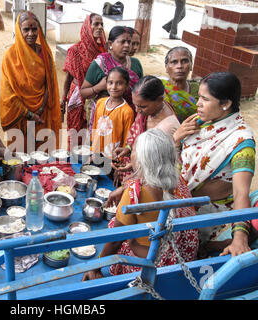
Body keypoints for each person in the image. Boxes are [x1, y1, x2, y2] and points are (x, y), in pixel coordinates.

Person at [82, 128, 198, 279]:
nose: (131, 154)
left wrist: (96, 267)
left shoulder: (135, 193)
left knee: (117, 230)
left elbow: (116, 241)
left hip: (149, 262)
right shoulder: (178, 180)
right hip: (176, 256)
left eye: (134, 150)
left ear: (143, 159)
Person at [173, 72, 256, 257]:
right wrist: (176, 139)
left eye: (205, 99)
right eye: (199, 97)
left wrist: (239, 239)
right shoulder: (199, 124)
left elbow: (241, 193)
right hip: (179, 203)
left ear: (225, 104)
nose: (198, 104)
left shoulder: (242, 142)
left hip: (208, 218)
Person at [0, 11, 62, 153]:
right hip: (21, 117)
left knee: (43, 157)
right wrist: (30, 114)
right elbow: (8, 94)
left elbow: (49, 85)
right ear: (19, 30)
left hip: (43, 114)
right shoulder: (10, 56)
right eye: (26, 29)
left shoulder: (45, 52)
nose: (31, 33)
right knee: (21, 158)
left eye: (34, 29)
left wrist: (40, 109)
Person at [111, 76, 180, 186]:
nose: (137, 110)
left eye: (142, 106)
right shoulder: (146, 111)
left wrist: (134, 169)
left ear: (159, 100)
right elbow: (135, 134)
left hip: (150, 183)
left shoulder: (167, 128)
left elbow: (159, 169)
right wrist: (128, 149)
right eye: (135, 105)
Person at [80, 26, 140, 135]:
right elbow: (83, 92)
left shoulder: (135, 64)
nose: (127, 45)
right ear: (110, 44)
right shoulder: (100, 64)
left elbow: (141, 92)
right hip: (104, 117)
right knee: (101, 148)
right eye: (122, 42)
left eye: (129, 42)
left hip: (129, 117)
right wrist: (98, 87)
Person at [61, 14, 106, 149]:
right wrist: (63, 98)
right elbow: (68, 78)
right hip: (77, 96)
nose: (99, 27)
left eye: (101, 24)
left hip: (98, 96)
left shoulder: (104, 50)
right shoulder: (75, 51)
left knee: (95, 133)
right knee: (76, 132)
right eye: (96, 24)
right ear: (88, 26)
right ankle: (72, 164)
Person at [91, 67, 134, 158]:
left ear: (126, 86)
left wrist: (120, 159)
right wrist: (92, 148)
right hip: (96, 152)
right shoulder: (100, 102)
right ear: (106, 84)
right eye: (110, 83)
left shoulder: (127, 111)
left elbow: (127, 138)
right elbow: (95, 125)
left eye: (119, 83)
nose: (114, 87)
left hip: (113, 156)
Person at [163, 46, 198, 123]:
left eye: (184, 61)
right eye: (174, 62)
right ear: (166, 67)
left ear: (191, 65)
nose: (179, 66)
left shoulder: (200, 89)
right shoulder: (160, 89)